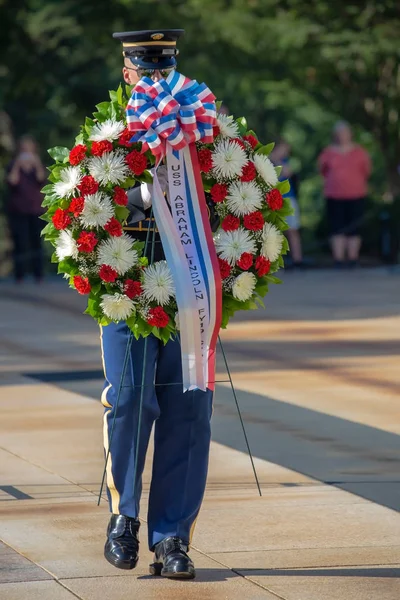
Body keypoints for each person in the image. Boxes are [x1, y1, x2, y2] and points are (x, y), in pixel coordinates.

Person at [100, 29, 215, 580]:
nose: (152, 78)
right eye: (143, 70)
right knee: (130, 402)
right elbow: (86, 205)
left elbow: (227, 197)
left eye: (161, 68)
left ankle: (171, 536)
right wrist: (139, 194)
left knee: (189, 410)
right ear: (127, 74)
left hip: (188, 292)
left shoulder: (203, 133)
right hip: (129, 290)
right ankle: (123, 516)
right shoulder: (107, 136)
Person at [318, 121, 371, 268]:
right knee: (337, 227)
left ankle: (353, 259)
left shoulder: (360, 152)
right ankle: (339, 260)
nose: (342, 136)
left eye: (345, 133)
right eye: (340, 133)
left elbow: (367, 171)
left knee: (354, 228)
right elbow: (322, 171)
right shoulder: (328, 152)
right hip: (334, 195)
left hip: (356, 194)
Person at [6, 135, 47, 282]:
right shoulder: (13, 165)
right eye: (24, 149)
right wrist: (18, 164)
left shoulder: (37, 165)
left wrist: (36, 164)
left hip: (35, 209)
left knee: (37, 241)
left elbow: (42, 179)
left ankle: (38, 274)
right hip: (18, 210)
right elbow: (12, 181)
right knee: (20, 242)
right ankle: (19, 275)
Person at [270, 139, 303, 268]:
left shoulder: (285, 163)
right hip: (273, 200)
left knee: (293, 230)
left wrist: (276, 159)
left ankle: (297, 259)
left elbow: (287, 172)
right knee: (274, 232)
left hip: (288, 199)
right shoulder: (267, 161)